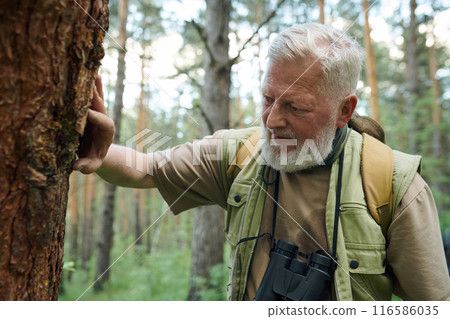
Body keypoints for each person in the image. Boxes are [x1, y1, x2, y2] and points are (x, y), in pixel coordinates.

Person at [74, 23, 450, 301]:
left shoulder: (393, 184)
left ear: (343, 109)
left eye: (295, 107)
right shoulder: (239, 155)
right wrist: (93, 148)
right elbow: (146, 168)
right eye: (268, 99)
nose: (271, 121)